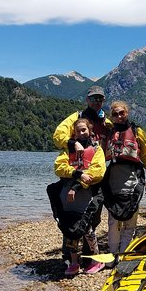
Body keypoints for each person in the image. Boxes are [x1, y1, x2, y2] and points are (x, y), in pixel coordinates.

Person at [52, 86, 112, 257]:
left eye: (100, 99)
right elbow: (58, 136)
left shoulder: (106, 123)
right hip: (75, 175)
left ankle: (88, 256)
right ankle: (69, 257)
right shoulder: (76, 117)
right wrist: (72, 143)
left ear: (103, 100)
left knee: (93, 217)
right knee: (71, 216)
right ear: (87, 100)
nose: (96, 102)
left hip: (95, 176)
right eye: (93, 98)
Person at [50, 118, 107, 276]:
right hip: (68, 194)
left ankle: (97, 259)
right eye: (78, 131)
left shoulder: (97, 150)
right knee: (69, 227)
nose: (81, 133)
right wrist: (77, 174)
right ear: (74, 133)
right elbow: (59, 167)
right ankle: (74, 262)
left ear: (90, 131)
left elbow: (97, 172)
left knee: (87, 228)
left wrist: (77, 185)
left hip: (86, 193)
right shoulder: (68, 150)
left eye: (84, 130)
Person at [102, 100, 146, 254]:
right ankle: (113, 253)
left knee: (131, 220)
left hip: (134, 178)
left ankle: (124, 253)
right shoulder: (110, 132)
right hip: (113, 179)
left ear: (127, 113)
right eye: (115, 114)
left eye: (122, 113)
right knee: (113, 221)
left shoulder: (137, 132)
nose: (119, 116)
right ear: (112, 117)